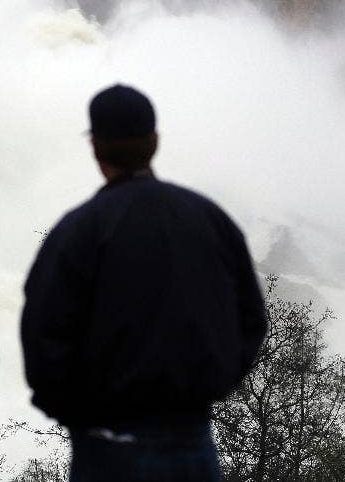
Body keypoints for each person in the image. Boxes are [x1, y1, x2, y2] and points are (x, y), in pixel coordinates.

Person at [21, 84, 268, 482]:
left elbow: (42, 333)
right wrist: (214, 386)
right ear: (154, 141)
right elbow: (252, 319)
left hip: (107, 446)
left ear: (96, 148)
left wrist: (75, 414)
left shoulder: (78, 230)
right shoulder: (210, 219)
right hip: (194, 443)